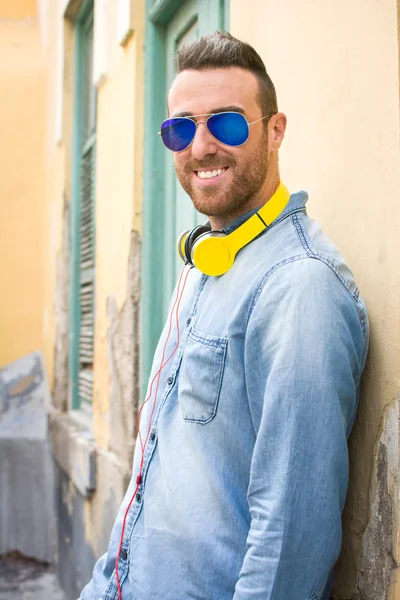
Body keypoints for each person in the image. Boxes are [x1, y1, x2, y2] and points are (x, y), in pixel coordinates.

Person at [80, 32, 369, 600]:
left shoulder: (298, 289)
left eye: (228, 123)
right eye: (181, 128)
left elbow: (291, 540)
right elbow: (156, 467)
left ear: (276, 130)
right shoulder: (205, 262)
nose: (202, 146)